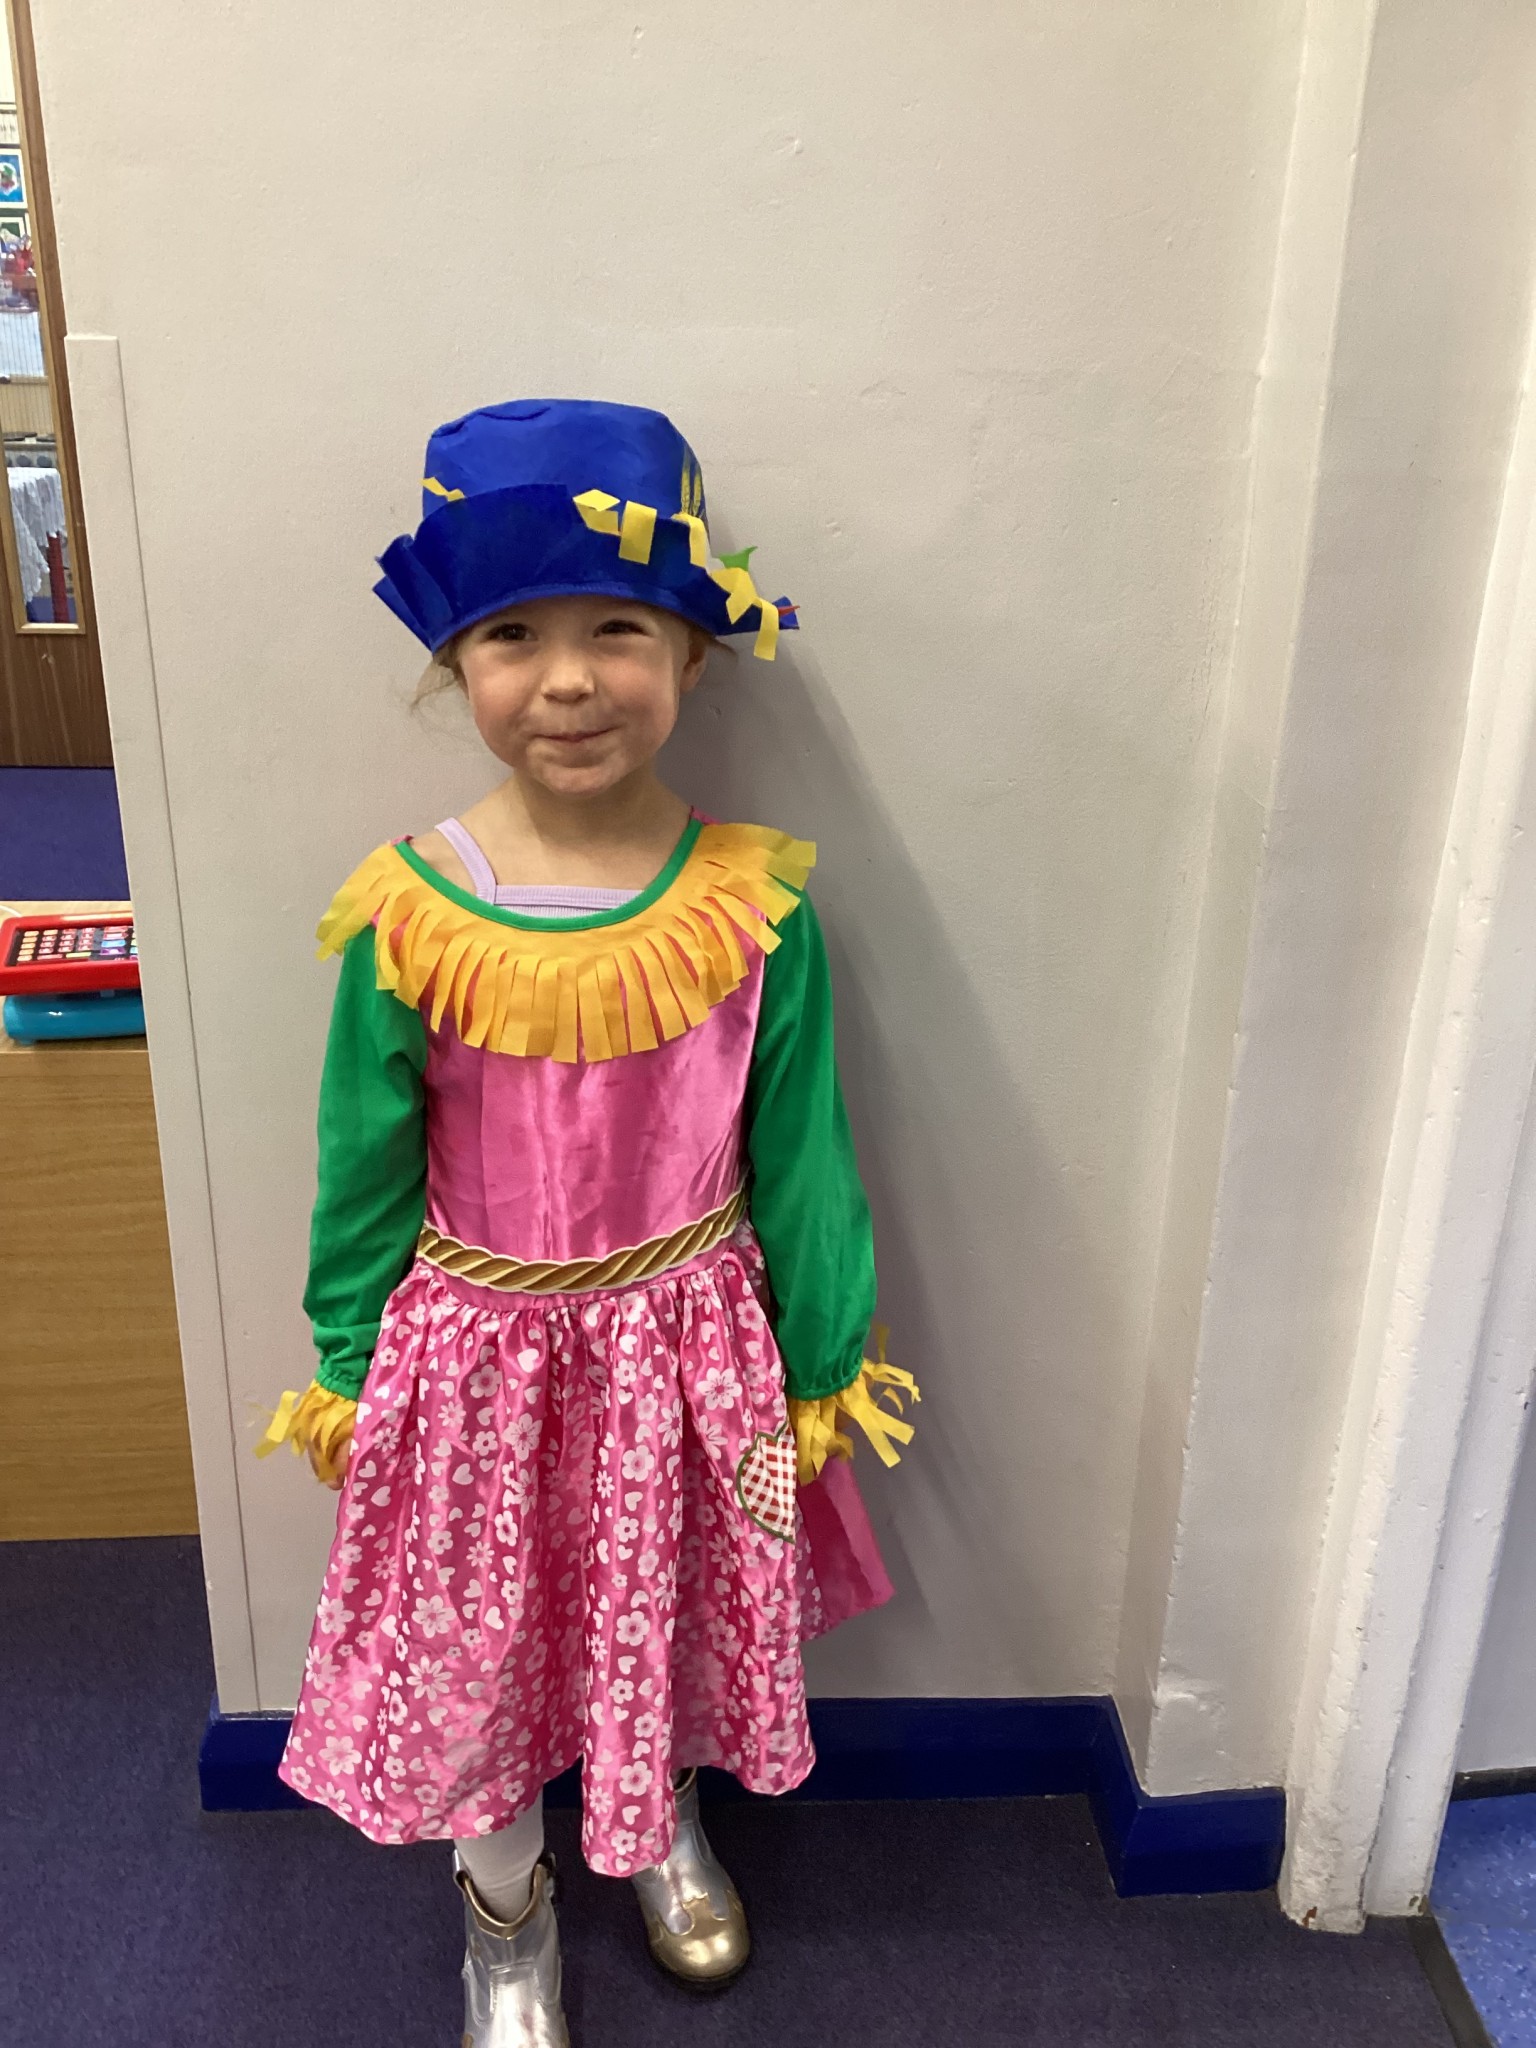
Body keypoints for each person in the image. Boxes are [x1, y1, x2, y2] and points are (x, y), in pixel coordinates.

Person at [258, 398, 918, 2046]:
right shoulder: (410, 913)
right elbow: (360, 1166)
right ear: (454, 665)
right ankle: (506, 1915)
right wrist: (348, 1364)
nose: (567, 680)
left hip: (688, 1354)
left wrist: (821, 1359)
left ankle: (661, 1817)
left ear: (693, 652)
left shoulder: (755, 907)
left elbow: (803, 1153)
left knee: (667, 1598)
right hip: (475, 1368)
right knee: (481, 1650)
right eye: (512, 636)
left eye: (617, 629)